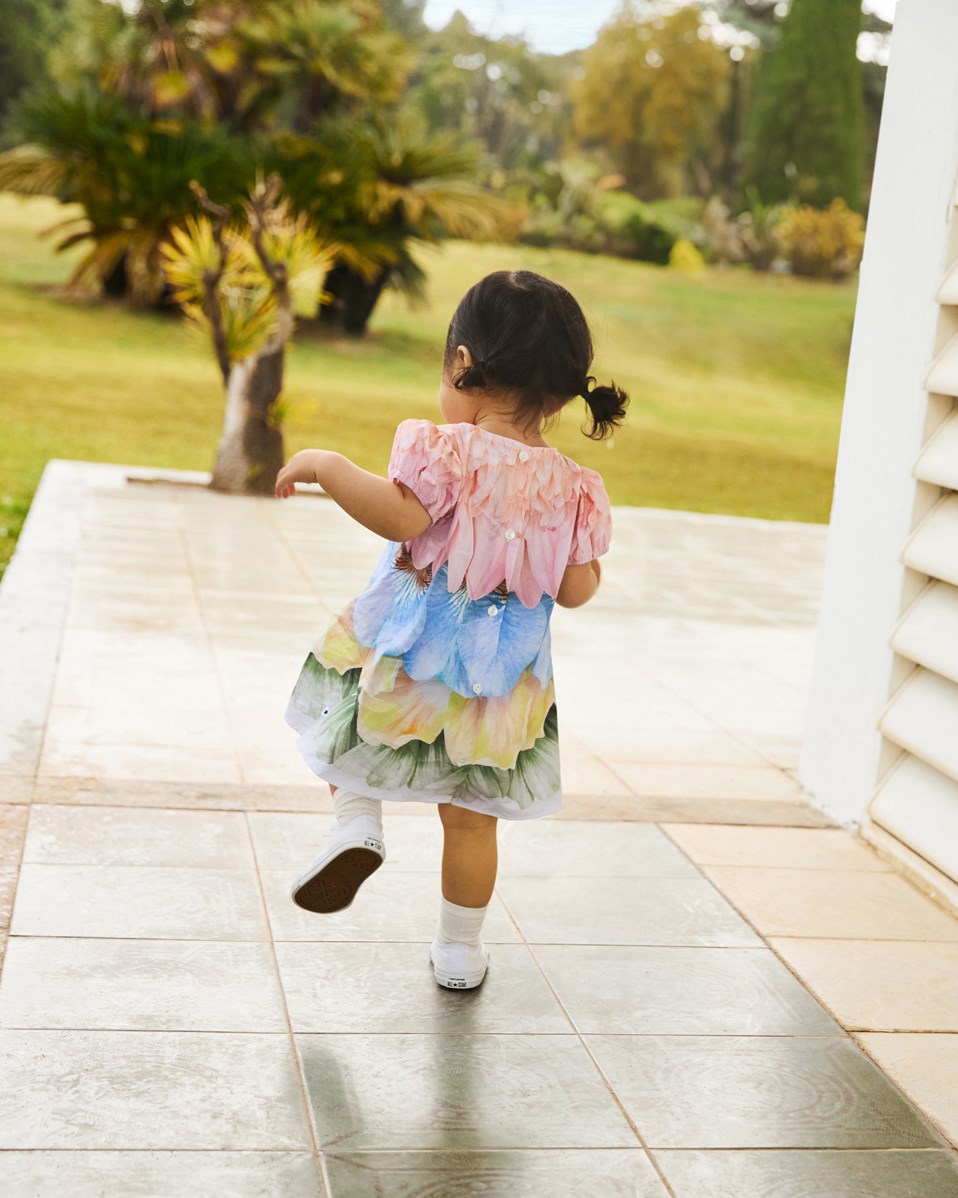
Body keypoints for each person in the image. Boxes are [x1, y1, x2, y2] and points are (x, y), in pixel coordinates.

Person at [275, 269, 628, 990]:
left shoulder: (444, 450)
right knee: (471, 821)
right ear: (564, 394)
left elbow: (400, 517)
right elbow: (575, 590)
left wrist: (326, 465)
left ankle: (357, 826)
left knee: (349, 726)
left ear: (462, 363)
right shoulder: (575, 487)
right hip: (499, 686)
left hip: (412, 652)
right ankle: (459, 952)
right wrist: (577, 556)